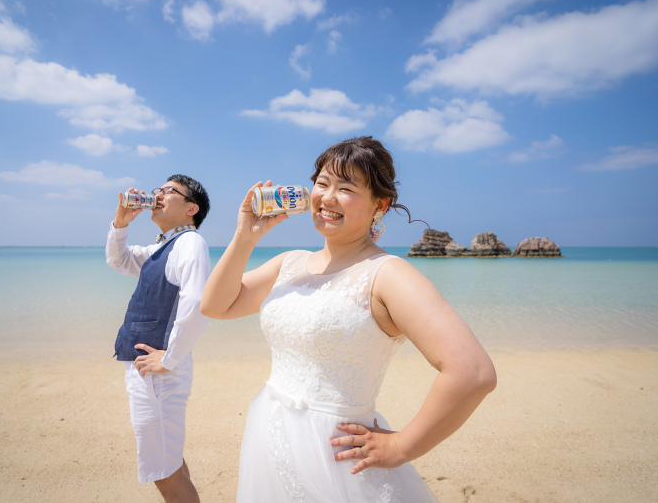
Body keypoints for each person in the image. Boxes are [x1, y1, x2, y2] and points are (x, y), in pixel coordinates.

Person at [201, 137, 496, 502]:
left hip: (335, 455)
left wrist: (402, 446)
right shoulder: (288, 263)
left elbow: (473, 372)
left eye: (346, 188)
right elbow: (216, 306)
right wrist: (245, 237)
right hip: (269, 432)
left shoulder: (388, 275)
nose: (327, 197)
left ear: (380, 205)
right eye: (323, 183)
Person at [106, 175, 211, 503]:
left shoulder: (190, 243)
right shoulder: (165, 245)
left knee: (164, 472)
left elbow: (197, 305)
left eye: (169, 191)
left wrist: (169, 358)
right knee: (170, 462)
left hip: (159, 375)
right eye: (158, 190)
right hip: (155, 372)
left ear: (190, 207)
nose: (158, 195)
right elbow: (119, 260)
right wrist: (120, 224)